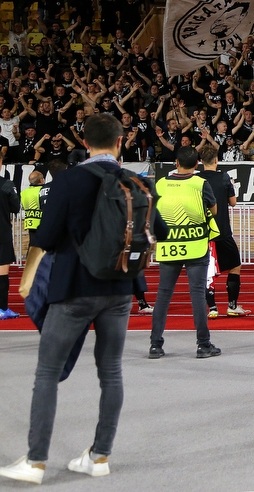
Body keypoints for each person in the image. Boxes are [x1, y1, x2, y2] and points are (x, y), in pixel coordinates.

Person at [0, 114, 164, 483]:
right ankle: (99, 456)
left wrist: (27, 280)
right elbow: (160, 228)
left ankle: (36, 461)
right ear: (121, 142)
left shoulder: (69, 180)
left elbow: (44, 236)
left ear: (84, 143)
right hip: (120, 289)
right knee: (111, 371)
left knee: (47, 373)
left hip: (73, 286)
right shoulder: (136, 181)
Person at [150, 146, 222, 359]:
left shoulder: (161, 184)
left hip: (168, 246)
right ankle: (203, 344)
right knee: (198, 295)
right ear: (197, 165)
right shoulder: (200, 184)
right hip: (195, 246)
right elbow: (214, 210)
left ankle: (155, 345)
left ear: (176, 163)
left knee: (163, 295)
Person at [198, 145, 250, 318]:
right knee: (235, 266)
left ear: (201, 161)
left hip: (203, 234)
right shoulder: (224, 178)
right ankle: (232, 305)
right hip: (222, 231)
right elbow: (233, 202)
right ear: (216, 160)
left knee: (206, 271)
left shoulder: (196, 180)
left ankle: (212, 308)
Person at [0, 150, 19, 320]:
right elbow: (15, 207)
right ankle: (2, 309)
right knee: (2, 274)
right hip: (1, 233)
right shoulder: (6, 184)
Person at [20, 169, 44, 247]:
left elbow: (23, 206)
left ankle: (30, 259)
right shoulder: (42, 190)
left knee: (32, 244)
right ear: (41, 180)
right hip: (40, 221)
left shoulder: (24, 192)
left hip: (30, 222)